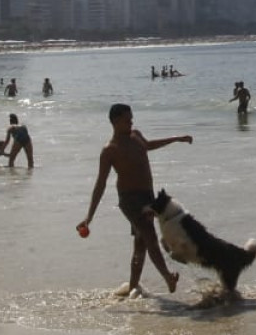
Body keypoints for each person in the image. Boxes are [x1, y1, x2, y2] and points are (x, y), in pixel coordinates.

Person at [77, 103, 190, 297]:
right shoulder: (110, 150)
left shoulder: (136, 135)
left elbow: (149, 145)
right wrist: (89, 216)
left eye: (131, 118)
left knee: (141, 244)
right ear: (115, 121)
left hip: (147, 196)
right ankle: (168, 276)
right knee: (150, 236)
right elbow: (100, 184)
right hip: (130, 200)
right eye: (127, 119)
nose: (131, 121)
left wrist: (176, 139)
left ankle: (132, 287)